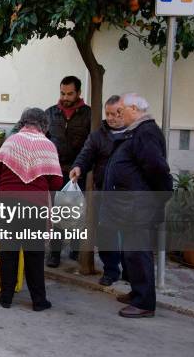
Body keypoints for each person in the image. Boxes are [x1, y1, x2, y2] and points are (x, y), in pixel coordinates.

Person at [100, 93, 173, 318]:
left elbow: (156, 167)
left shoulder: (146, 132)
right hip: (130, 204)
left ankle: (144, 303)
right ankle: (137, 293)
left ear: (134, 108)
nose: (118, 114)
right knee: (131, 253)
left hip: (139, 204)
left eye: (121, 110)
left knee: (138, 252)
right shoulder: (139, 131)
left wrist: (160, 194)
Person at [0, 108, 63, 311]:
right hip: (35, 205)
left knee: (9, 251)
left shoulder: (11, 141)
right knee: (34, 254)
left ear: (22, 122)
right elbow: (56, 182)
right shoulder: (48, 145)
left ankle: (6, 298)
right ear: (44, 125)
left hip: (8, 202)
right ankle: (39, 301)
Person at [70, 95, 126, 286]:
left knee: (130, 233)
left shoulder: (136, 133)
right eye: (108, 113)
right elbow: (86, 154)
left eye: (115, 113)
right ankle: (111, 270)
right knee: (106, 232)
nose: (111, 117)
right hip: (105, 191)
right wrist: (78, 167)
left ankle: (130, 270)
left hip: (129, 193)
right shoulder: (98, 135)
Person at [45, 75, 91, 267]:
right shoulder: (50, 113)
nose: (65, 97)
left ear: (78, 93)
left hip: (80, 171)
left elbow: (92, 143)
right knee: (58, 213)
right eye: (62, 93)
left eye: (69, 93)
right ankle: (55, 253)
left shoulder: (89, 114)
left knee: (78, 212)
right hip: (57, 171)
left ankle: (76, 248)